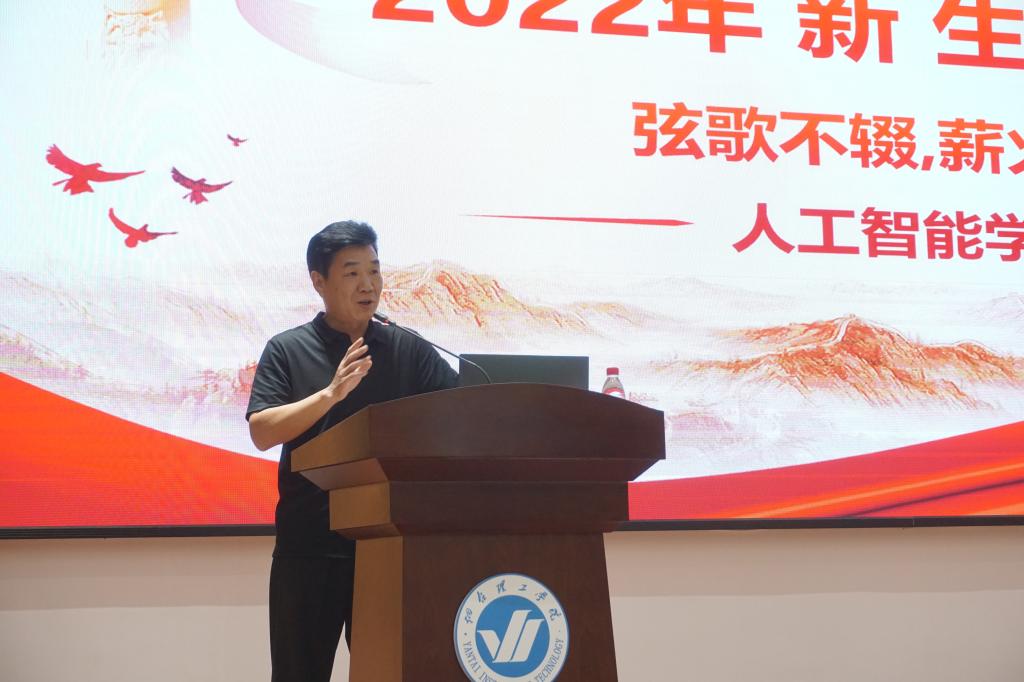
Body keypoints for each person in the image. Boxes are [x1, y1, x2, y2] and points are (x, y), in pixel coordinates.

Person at [245, 220, 458, 682]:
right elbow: (262, 431)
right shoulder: (287, 349)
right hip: (310, 548)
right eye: (352, 272)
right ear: (318, 281)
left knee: (391, 673)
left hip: (388, 546)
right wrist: (330, 394)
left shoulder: (408, 349)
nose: (368, 285)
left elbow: (461, 410)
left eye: (374, 271)